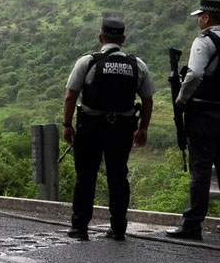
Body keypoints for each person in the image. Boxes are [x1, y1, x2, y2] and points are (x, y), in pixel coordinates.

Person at [62, 18, 154, 241]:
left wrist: (66, 125)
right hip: (122, 127)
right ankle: (119, 228)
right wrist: (143, 129)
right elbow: (147, 100)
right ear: (123, 39)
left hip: (91, 126)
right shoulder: (137, 64)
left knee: (86, 175)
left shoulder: (87, 62)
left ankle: (80, 227)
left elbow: (70, 96)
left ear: (101, 38)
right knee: (118, 174)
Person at [167, 0, 220, 240]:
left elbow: (194, 74)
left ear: (206, 18)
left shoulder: (204, 41)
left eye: (200, 16)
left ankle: (192, 224)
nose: (198, 20)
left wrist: (181, 99)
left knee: (201, 169)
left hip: (205, 115)